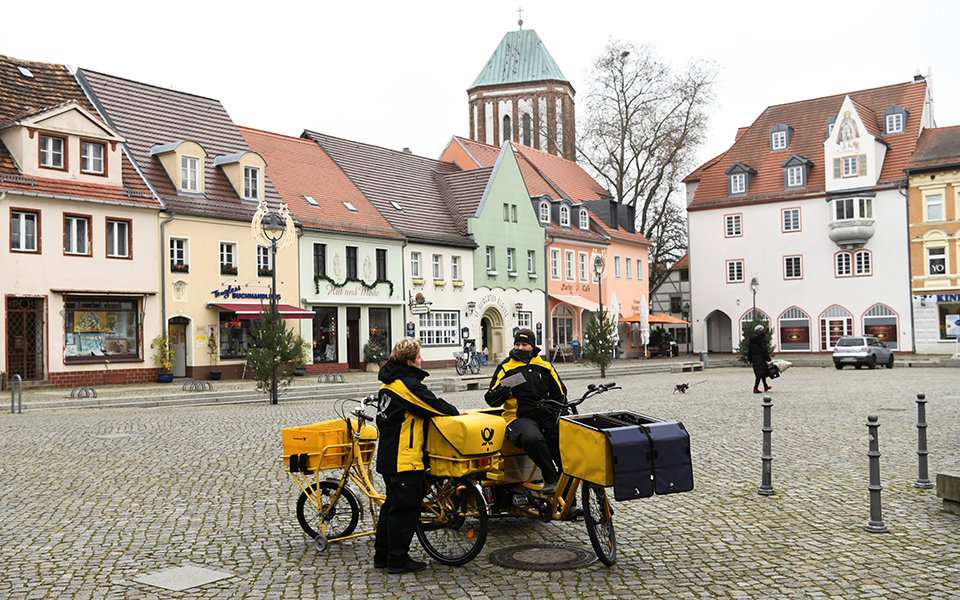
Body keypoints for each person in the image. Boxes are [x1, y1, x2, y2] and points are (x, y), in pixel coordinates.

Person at [374, 337, 461, 574]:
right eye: (419, 357)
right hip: (404, 458)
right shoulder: (406, 386)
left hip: (390, 456)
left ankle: (382, 555)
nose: (422, 360)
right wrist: (455, 412)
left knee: (391, 507)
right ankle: (397, 559)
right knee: (405, 509)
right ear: (410, 361)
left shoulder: (389, 383)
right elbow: (432, 405)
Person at [485, 329, 567, 495]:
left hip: (546, 415)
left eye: (524, 344)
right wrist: (503, 390)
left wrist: (561, 415)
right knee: (533, 438)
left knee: (563, 451)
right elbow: (490, 399)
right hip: (519, 417)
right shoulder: (506, 367)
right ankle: (550, 477)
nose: (520, 348)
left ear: (532, 346)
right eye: (517, 344)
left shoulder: (545, 366)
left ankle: (569, 504)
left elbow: (560, 395)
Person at [748, 325, 772, 394]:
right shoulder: (762, 338)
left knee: (762, 372)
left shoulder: (752, 338)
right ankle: (755, 388)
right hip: (761, 358)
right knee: (759, 373)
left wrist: (749, 359)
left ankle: (765, 385)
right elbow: (764, 350)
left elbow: (750, 349)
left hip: (754, 357)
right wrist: (769, 359)